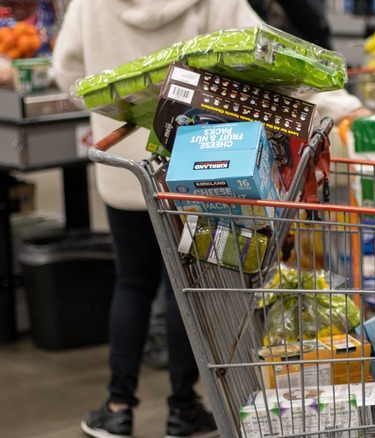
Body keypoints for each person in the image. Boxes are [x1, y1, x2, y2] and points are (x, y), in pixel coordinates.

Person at [52, 1, 265, 437]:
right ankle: (183, 408)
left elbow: (66, 69)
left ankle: (117, 407)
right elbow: (259, 49)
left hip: (121, 158)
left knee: (131, 282)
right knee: (183, 290)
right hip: (190, 163)